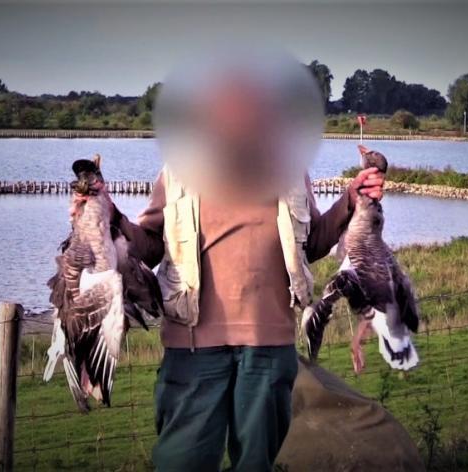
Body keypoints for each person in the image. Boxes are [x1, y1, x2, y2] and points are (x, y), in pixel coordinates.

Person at [107, 71, 385, 471]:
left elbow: (313, 244)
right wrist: (107, 218)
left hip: (267, 346)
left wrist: (350, 200)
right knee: (180, 462)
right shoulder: (179, 172)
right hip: (191, 345)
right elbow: (150, 245)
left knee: (256, 464)